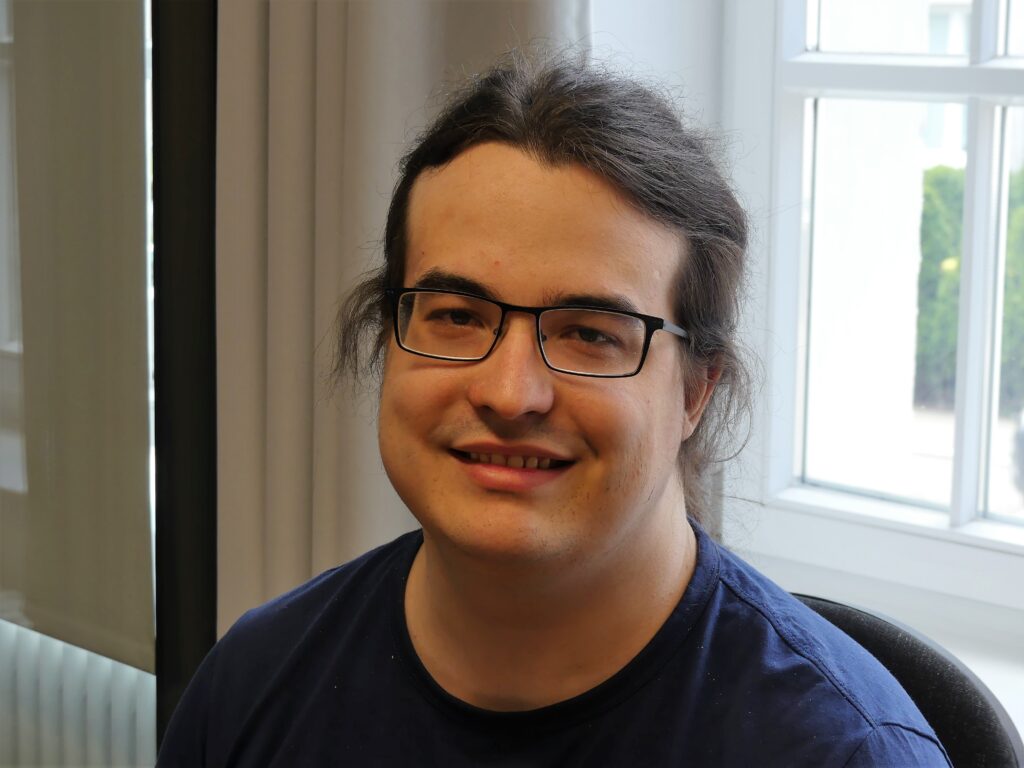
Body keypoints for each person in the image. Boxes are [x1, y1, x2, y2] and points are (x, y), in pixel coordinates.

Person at [158, 54, 951, 767]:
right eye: (456, 316)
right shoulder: (252, 685)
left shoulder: (845, 752)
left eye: (590, 334)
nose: (510, 394)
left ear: (696, 390)